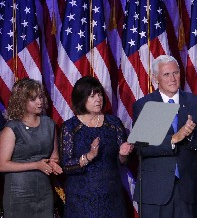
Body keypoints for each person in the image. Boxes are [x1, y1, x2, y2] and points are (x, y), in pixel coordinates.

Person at [132, 55, 197, 218]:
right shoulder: (148, 105)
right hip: (156, 192)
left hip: (188, 190)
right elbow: (142, 149)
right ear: (156, 78)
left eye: (175, 73)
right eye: (166, 75)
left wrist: (190, 134)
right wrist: (173, 139)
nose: (172, 79)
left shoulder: (195, 103)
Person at [59, 76, 133, 218]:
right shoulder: (70, 127)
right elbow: (67, 166)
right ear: (81, 98)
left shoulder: (114, 123)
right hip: (81, 199)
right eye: (92, 96)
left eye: (99, 94)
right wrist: (89, 156)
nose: (98, 99)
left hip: (111, 196)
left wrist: (123, 154)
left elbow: (122, 162)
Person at [0, 78, 62, 218]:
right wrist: (35, 165)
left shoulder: (49, 124)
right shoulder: (12, 128)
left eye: (40, 96)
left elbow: (55, 156)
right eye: (33, 99)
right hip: (18, 194)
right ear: (22, 101)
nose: (39, 102)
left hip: (44, 192)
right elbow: (2, 164)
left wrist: (53, 163)